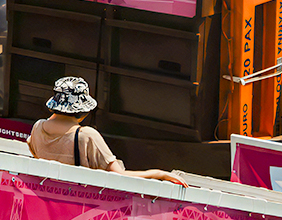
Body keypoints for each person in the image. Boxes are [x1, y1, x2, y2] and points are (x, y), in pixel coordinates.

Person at [26, 77, 186, 185]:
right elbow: (119, 176)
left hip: (45, 202)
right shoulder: (86, 135)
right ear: (82, 110)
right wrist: (159, 174)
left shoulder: (37, 127)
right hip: (76, 205)